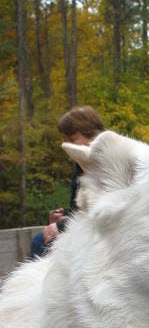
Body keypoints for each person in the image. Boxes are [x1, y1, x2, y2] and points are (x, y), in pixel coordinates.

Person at [30, 106, 105, 258]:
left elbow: (100, 211)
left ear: (92, 136)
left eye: (72, 140)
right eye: (64, 141)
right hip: (83, 232)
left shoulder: (106, 166)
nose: (66, 147)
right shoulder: (80, 165)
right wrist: (59, 219)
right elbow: (76, 209)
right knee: (43, 239)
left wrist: (60, 226)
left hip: (103, 235)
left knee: (40, 242)